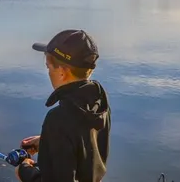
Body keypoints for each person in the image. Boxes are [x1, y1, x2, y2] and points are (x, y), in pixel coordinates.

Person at [15, 29, 111, 182]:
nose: (48, 72)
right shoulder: (99, 102)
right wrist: (46, 142)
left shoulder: (57, 119)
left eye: (48, 67)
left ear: (62, 72)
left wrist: (26, 172)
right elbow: (84, 140)